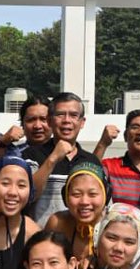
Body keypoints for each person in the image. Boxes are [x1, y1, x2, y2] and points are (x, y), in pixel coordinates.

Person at [26, 92, 102, 225]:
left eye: (73, 115)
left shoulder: (91, 161)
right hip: (42, 240)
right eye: (60, 114)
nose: (67, 120)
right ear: (50, 121)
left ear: (82, 122)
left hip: (79, 240)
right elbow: (28, 196)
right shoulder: (31, 155)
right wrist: (52, 159)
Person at [44, 159, 110, 267]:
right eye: (76, 194)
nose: (84, 202)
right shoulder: (57, 224)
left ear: (106, 196)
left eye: (92, 194)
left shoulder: (116, 225)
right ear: (65, 197)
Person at [94, 109, 140, 208]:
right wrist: (103, 144)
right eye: (135, 127)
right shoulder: (111, 166)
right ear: (125, 135)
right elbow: (88, 174)